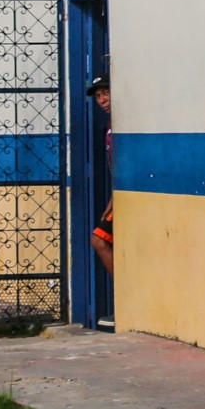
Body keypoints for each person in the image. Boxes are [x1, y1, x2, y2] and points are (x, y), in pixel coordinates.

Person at [89, 74, 114, 276]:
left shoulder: (124, 126)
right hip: (118, 197)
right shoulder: (110, 127)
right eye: (98, 96)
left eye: (106, 93)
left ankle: (125, 291)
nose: (102, 100)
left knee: (99, 239)